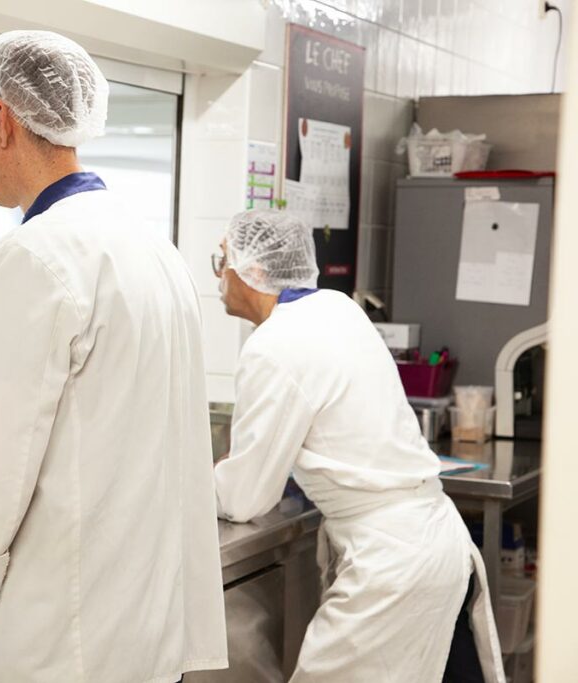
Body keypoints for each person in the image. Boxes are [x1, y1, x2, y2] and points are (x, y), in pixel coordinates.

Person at [0, 30, 227, 682]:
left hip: (64, 636)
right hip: (145, 628)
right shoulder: (153, 251)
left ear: (1, 117)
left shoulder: (36, 255)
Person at [211, 209, 503, 682]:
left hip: (391, 566)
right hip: (431, 540)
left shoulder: (274, 344)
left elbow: (245, 497)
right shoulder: (337, 308)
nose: (219, 275)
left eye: (221, 259)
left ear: (255, 271)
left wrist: (199, 480)